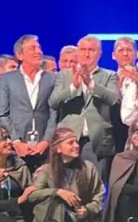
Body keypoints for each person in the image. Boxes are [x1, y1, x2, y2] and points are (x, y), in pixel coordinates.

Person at [51, 35, 120, 180]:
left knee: (95, 184)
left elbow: (113, 99)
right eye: (83, 50)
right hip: (69, 139)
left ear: (99, 53)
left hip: (96, 141)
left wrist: (91, 84)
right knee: (67, 183)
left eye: (91, 50)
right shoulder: (63, 75)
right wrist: (73, 87)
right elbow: (53, 102)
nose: (87, 54)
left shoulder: (109, 75)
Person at [28, 128, 104, 222]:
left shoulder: (88, 168)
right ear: (58, 148)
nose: (76, 145)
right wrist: (57, 192)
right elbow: (32, 195)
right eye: (70, 143)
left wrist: (87, 210)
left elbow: (100, 196)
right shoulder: (47, 170)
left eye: (76, 142)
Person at [0, 35, 57, 171]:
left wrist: (46, 141)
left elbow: (54, 112)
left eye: (39, 48)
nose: (38, 52)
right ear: (20, 55)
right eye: (32, 48)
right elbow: (2, 114)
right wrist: (16, 142)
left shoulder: (52, 79)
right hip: (16, 148)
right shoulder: (7, 79)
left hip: (44, 149)